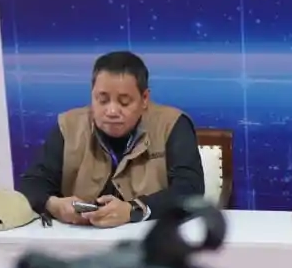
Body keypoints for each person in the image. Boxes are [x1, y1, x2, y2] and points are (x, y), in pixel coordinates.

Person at [17, 51, 206, 228]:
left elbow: (190, 190)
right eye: (102, 100)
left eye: (124, 102)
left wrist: (134, 210)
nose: (112, 111)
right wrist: (54, 205)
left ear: (144, 98)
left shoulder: (172, 125)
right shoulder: (68, 126)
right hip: (81, 241)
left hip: (151, 240)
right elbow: (32, 183)